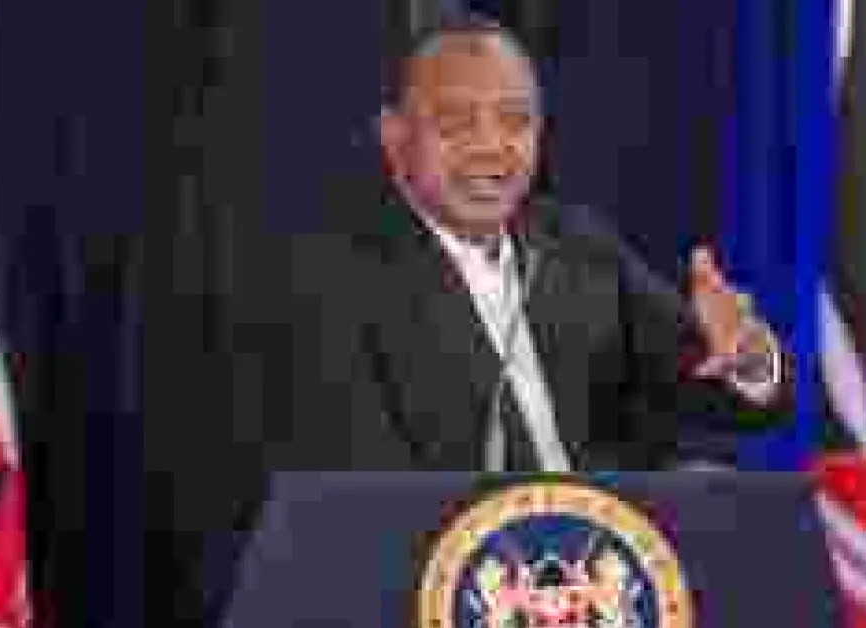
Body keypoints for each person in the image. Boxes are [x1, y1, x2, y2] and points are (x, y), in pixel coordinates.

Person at [254, 14, 793, 472]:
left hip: (602, 553)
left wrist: (747, 357)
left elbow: (730, 400)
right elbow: (359, 493)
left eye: (515, 121)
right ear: (395, 138)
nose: (491, 146)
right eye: (456, 123)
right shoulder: (334, 281)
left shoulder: (579, 246)